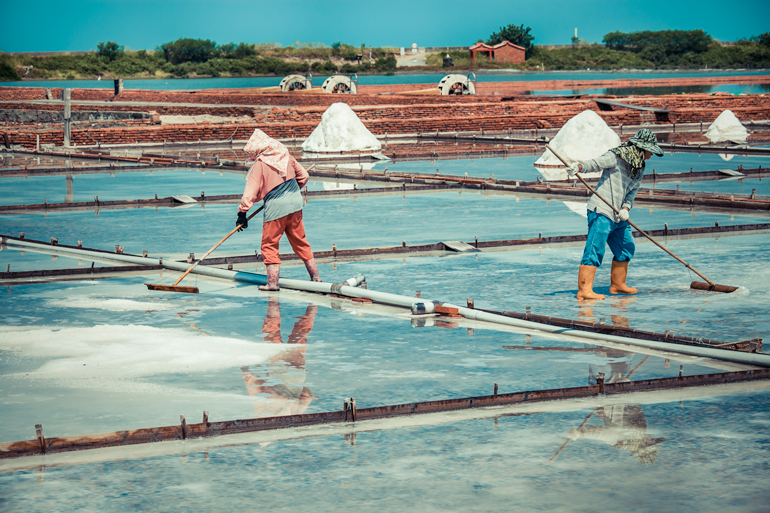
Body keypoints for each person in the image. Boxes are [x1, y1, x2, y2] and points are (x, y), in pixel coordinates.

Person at [568, 128, 663, 300]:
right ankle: (584, 290)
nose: (651, 155)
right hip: (601, 211)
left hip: (619, 215)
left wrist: (626, 208)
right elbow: (596, 163)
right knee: (594, 249)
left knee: (626, 246)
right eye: (650, 151)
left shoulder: (639, 168)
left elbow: (631, 192)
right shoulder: (616, 157)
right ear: (642, 148)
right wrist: (579, 167)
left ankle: (618, 285)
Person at [237, 129, 321, 291]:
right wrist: (292, 191)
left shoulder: (260, 165)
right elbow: (304, 177)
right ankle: (316, 278)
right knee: (300, 241)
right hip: (295, 204)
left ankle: (273, 284)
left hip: (276, 208)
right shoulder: (287, 157)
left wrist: (242, 213)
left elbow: (250, 192)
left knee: (270, 244)